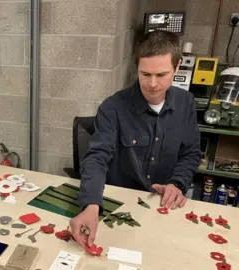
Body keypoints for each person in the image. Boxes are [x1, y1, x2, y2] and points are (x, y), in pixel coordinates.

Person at [70, 30, 201, 248]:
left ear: (177, 67)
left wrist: (177, 183)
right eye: (145, 74)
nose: (152, 84)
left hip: (162, 207)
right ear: (137, 68)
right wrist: (91, 205)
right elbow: (97, 157)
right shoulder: (113, 107)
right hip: (118, 206)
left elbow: (190, 153)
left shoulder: (186, 103)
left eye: (161, 75)